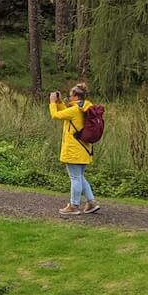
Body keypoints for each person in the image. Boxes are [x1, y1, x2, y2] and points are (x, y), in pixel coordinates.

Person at [49, 83, 100, 217]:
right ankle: (91, 203)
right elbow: (65, 113)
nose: (68, 97)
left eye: (70, 96)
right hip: (84, 149)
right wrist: (59, 102)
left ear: (76, 96)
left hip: (73, 150)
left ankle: (74, 205)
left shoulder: (75, 110)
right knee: (80, 177)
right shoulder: (83, 108)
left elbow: (56, 115)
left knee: (75, 178)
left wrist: (52, 102)